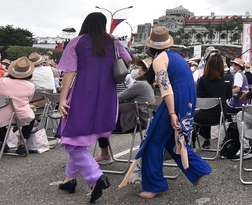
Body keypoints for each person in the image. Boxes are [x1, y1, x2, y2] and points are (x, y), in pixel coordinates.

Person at [57, 12, 132, 203]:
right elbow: (128, 60)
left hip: (83, 94)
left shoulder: (77, 42)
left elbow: (69, 72)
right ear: (103, 24)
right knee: (79, 139)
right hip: (108, 96)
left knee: (71, 139)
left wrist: (63, 98)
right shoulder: (114, 41)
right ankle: (69, 179)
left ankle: (95, 176)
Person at [130, 26, 211, 199]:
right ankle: (197, 170)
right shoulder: (177, 57)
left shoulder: (159, 59)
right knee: (172, 138)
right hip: (188, 97)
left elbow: (166, 89)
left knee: (153, 141)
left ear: (151, 47)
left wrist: (172, 113)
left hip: (176, 100)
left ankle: (154, 185)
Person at [95, 58, 155, 165]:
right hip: (142, 121)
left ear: (145, 72)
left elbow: (118, 98)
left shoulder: (141, 85)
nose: (136, 70)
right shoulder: (147, 85)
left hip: (133, 122)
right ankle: (104, 154)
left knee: (99, 122)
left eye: (139, 68)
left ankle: (105, 155)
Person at [0, 56, 36, 156]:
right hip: (22, 116)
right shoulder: (30, 86)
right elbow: (28, 100)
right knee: (31, 118)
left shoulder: (2, 82)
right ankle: (22, 144)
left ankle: (3, 143)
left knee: (3, 111)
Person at [194, 53, 232, 149]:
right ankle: (225, 141)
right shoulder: (226, 80)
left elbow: (199, 97)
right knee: (214, 109)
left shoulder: (202, 80)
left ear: (209, 65)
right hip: (220, 115)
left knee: (203, 111)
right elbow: (229, 96)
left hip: (202, 116)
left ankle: (198, 140)